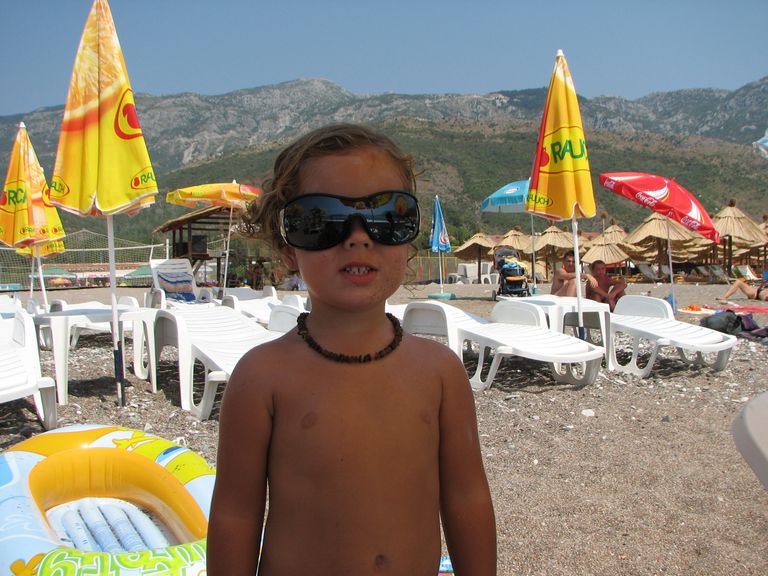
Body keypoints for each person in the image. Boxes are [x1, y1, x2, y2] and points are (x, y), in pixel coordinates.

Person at [207, 124, 496, 576]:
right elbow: (235, 516)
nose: (358, 237)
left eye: (387, 217)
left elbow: (467, 499)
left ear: (408, 240)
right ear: (288, 247)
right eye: (322, 219)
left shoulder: (440, 372)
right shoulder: (261, 377)